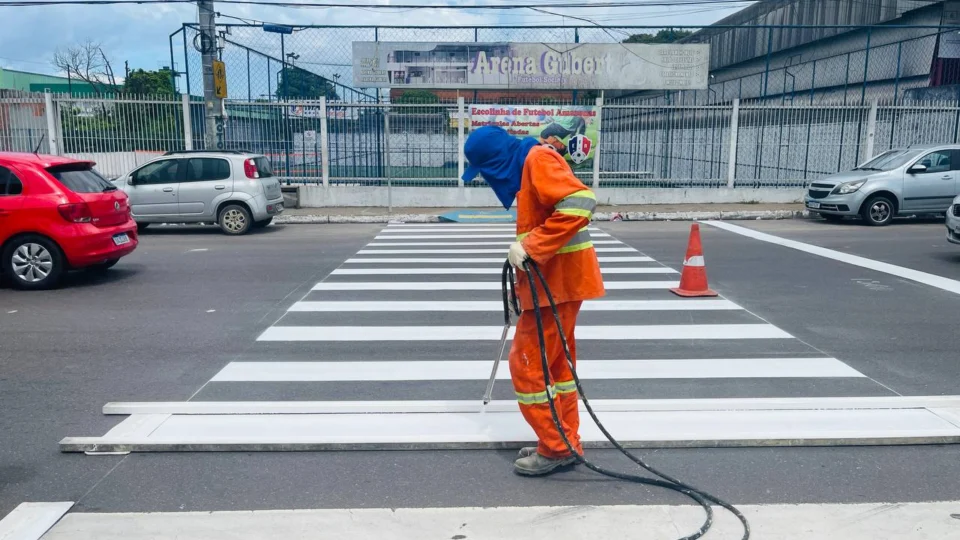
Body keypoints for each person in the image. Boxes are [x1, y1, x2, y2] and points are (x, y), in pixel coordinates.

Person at [462, 125, 605, 476]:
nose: (485, 180)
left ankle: (556, 448)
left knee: (526, 367)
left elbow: (581, 201)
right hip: (554, 285)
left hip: (559, 285)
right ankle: (561, 440)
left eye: (484, 172)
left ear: (495, 162)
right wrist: (521, 288)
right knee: (557, 369)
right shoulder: (529, 165)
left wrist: (530, 247)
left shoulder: (537, 159)